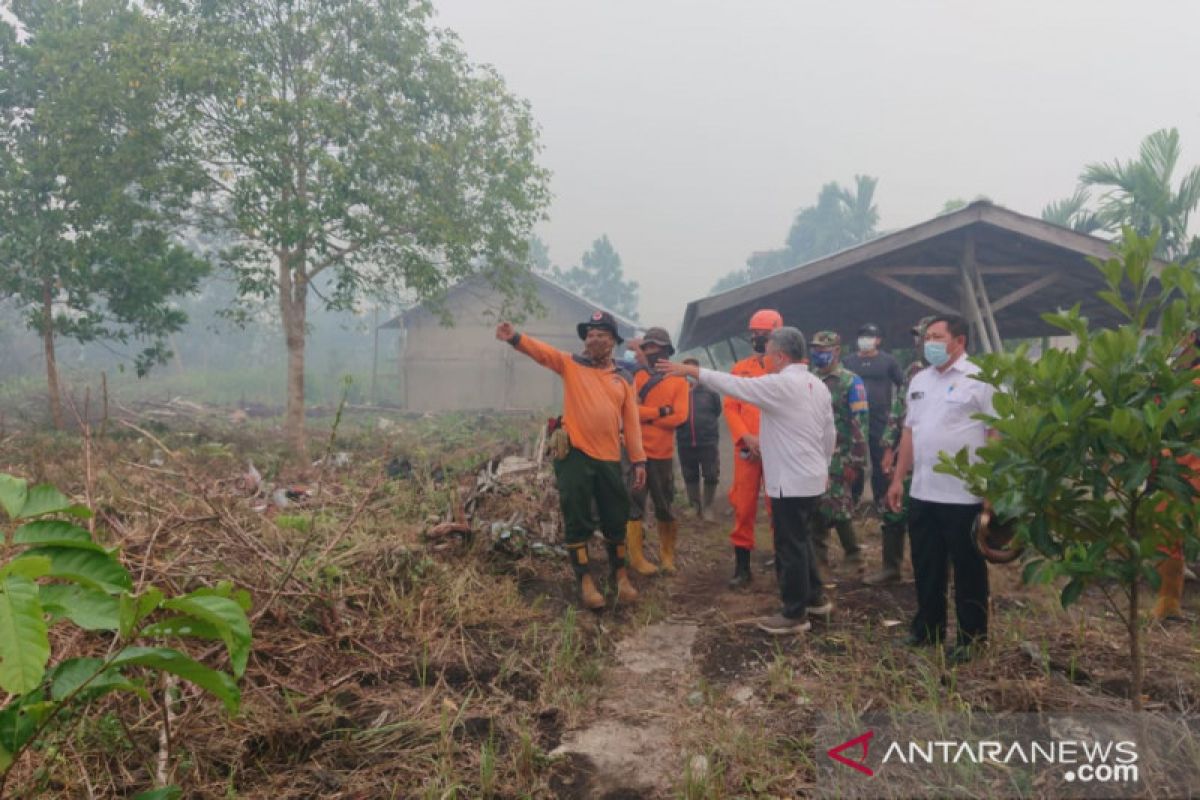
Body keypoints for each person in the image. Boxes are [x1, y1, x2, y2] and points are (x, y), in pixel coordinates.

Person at [658, 327, 835, 634]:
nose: (763, 358)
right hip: (811, 478)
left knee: (789, 546)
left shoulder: (780, 385)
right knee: (802, 538)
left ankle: (794, 613)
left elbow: (733, 385)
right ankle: (815, 599)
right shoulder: (816, 384)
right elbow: (829, 433)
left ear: (779, 356)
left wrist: (692, 370)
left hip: (790, 481)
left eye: (767, 353)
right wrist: (824, 466)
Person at [495, 311, 647, 610]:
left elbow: (631, 423)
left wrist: (639, 460)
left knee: (616, 516)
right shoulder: (571, 364)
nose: (594, 339)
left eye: (601, 335)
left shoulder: (623, 378)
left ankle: (620, 575)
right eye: (590, 334)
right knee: (577, 517)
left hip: (608, 458)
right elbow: (543, 353)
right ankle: (585, 581)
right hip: (575, 455)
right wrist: (515, 337)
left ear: (613, 341)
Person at [886, 314, 997, 664]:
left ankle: (971, 636)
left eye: (936, 336)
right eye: (927, 337)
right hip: (923, 491)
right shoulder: (919, 380)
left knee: (968, 569)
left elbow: (995, 435)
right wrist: (898, 478)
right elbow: (909, 432)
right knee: (926, 565)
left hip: (964, 495)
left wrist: (991, 488)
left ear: (959, 341)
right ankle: (927, 628)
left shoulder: (980, 380)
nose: (928, 342)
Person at [866, 316, 935, 586]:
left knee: (937, 518)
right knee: (893, 509)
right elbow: (898, 414)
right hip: (909, 455)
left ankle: (942, 572)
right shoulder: (913, 372)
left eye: (927, 336)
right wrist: (887, 448)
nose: (920, 342)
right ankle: (891, 567)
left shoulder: (964, 376)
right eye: (918, 337)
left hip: (940, 460)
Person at [725, 308, 784, 589]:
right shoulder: (740, 369)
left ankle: (783, 563)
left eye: (765, 335)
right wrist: (745, 436)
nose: (758, 339)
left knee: (779, 505)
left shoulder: (788, 370)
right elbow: (731, 407)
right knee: (744, 505)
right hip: (747, 449)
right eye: (755, 334)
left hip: (779, 450)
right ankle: (742, 567)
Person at [626, 327, 690, 576]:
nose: (651, 351)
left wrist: (646, 415)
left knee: (665, 506)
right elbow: (630, 411)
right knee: (634, 506)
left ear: (666, 350)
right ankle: (637, 558)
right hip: (637, 453)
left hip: (662, 455)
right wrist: (661, 412)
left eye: (656, 347)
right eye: (647, 347)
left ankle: (667, 557)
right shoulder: (636, 377)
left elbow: (681, 416)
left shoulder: (679, 380)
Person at [809, 331, 868, 573]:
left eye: (824, 349)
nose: (819, 354)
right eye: (815, 349)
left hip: (840, 454)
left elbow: (860, 422)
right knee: (815, 504)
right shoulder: (809, 379)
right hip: (813, 453)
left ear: (837, 351)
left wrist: (855, 461)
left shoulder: (850, 381)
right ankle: (819, 558)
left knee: (840, 507)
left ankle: (854, 556)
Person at [843, 323, 905, 509]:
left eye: (869, 336)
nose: (865, 340)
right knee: (855, 456)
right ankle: (853, 497)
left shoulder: (888, 361)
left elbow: (902, 384)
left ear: (878, 340)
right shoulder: (849, 362)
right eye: (862, 336)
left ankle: (881, 498)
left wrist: (897, 409)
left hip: (880, 416)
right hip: (854, 416)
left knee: (881, 458)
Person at [676, 357, 722, 522]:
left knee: (711, 474)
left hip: (707, 441)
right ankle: (694, 506)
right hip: (684, 441)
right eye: (685, 370)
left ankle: (708, 506)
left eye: (692, 371)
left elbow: (717, 411)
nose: (689, 374)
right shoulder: (677, 391)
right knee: (690, 475)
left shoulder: (710, 392)